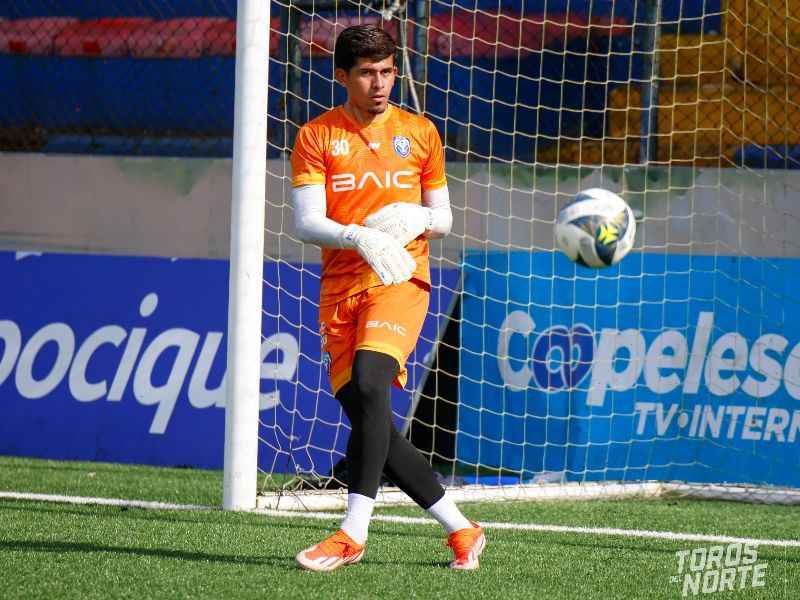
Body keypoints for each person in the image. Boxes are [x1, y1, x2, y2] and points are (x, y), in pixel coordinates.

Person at [290, 24, 486, 572]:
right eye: (367, 73)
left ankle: (352, 533)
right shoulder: (315, 136)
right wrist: (359, 235)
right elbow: (306, 222)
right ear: (342, 77)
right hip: (342, 285)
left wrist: (420, 217)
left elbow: (443, 217)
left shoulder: (420, 132)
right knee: (368, 413)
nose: (380, 83)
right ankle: (463, 530)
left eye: (387, 71)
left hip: (402, 277)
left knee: (373, 383)